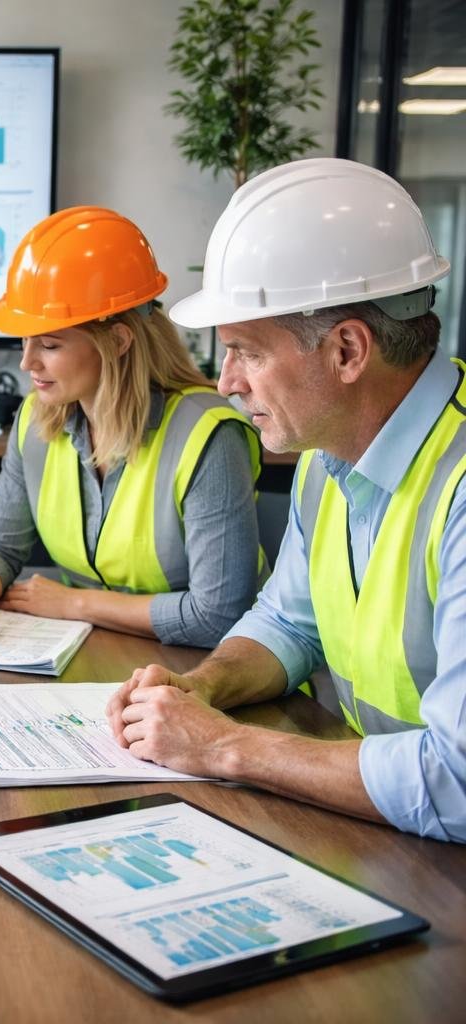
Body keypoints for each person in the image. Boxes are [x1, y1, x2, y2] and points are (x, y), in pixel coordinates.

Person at [103, 158, 463, 842]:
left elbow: (457, 778)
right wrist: (203, 688)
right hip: (390, 832)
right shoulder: (326, 459)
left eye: (247, 352)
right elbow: (292, 625)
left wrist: (221, 747)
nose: (226, 380)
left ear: (348, 350)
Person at [0, 207, 264, 649]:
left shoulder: (208, 437)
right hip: (100, 654)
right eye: (24, 342)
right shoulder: (35, 419)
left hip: (210, 674)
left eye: (49, 344)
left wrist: (78, 603)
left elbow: (218, 615)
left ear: (118, 342)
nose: (28, 363)